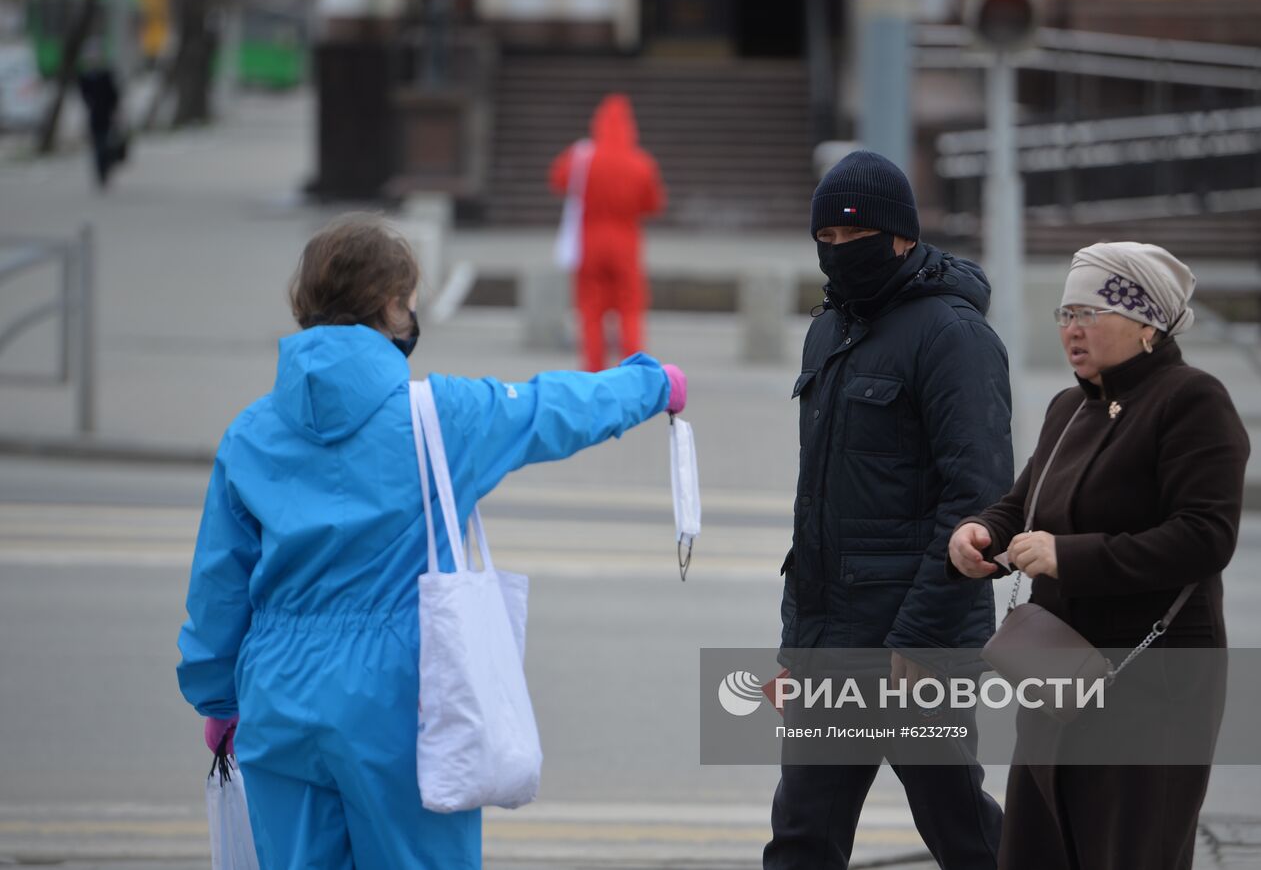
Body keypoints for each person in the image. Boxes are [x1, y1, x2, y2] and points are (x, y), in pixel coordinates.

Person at [176, 213, 687, 868]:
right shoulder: (439, 417)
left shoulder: (250, 432)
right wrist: (653, 384)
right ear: (391, 306)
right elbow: (553, 407)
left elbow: (219, 585)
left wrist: (219, 699)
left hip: (276, 694)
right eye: (410, 299)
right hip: (400, 702)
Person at [948, 241, 1250, 870]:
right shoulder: (1070, 407)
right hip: (1058, 673)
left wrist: (1069, 557)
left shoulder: (1191, 401)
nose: (1072, 330)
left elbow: (1206, 536)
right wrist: (980, 532)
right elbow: (1024, 503)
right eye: (1065, 314)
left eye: (1090, 313)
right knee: (1038, 847)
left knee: (1127, 849)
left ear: (1148, 325)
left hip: (1151, 681)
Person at [765, 151, 1011, 870]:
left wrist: (918, 644)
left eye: (854, 238)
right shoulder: (829, 332)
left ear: (902, 236)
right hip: (832, 646)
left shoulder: (953, 337)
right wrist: (796, 651)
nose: (838, 255)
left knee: (960, 830)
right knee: (803, 837)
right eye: (826, 242)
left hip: (915, 644)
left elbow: (979, 502)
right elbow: (817, 516)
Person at [549, 93, 666, 372]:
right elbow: (653, 204)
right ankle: (635, 371)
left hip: (590, 242)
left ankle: (593, 370)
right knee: (630, 307)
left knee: (590, 309)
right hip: (625, 241)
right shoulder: (641, 163)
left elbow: (558, 179)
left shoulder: (583, 158)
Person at [76, 46, 126, 190]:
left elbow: (114, 94)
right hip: (94, 116)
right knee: (98, 145)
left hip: (107, 115)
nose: (93, 61)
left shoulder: (106, 74)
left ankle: (105, 169)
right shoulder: (84, 76)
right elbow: (83, 95)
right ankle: (100, 172)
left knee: (105, 145)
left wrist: (117, 112)